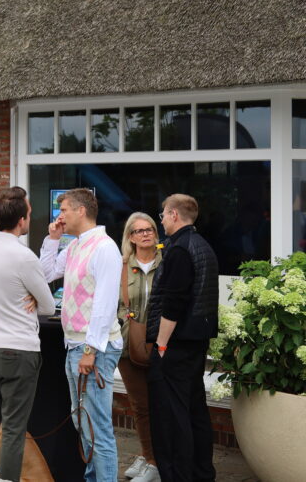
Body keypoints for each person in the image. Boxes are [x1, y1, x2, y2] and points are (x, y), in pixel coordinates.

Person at [0, 187, 55, 482]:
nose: (30, 217)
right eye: (29, 213)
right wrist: (32, 296)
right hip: (18, 353)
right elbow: (48, 306)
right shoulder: (24, 257)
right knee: (14, 430)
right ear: (21, 221)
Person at [40, 188, 122, 482]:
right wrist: (52, 240)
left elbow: (105, 305)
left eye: (63, 210)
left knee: (97, 427)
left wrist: (91, 350)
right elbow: (45, 274)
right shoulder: (75, 246)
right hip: (75, 344)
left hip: (92, 348)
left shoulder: (104, 248)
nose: (59, 216)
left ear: (81, 211)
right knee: (82, 421)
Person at [146, 195, 218, 482]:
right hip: (196, 342)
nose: (162, 220)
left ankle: (179, 475)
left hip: (176, 344)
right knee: (194, 410)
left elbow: (174, 303)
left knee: (172, 416)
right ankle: (202, 474)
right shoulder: (203, 245)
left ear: (174, 214)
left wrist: (161, 344)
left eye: (163, 214)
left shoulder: (179, 250)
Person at [118, 213, 163, 482]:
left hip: (161, 343)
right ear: (131, 237)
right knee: (140, 405)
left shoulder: (167, 263)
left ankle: (155, 459)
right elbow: (112, 304)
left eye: (150, 229)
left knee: (161, 404)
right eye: (139, 231)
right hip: (128, 344)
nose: (146, 234)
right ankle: (150, 459)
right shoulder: (121, 266)